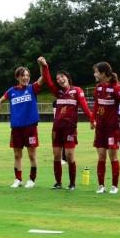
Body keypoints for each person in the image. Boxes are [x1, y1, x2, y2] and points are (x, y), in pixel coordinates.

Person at [40, 57, 93, 190]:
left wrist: (92, 119)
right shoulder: (57, 92)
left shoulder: (77, 91)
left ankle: (72, 183)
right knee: (57, 156)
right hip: (57, 129)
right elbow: (47, 79)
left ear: (67, 78)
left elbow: (85, 107)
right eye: (58, 78)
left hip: (70, 129)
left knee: (69, 156)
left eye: (62, 77)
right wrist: (45, 66)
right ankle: (58, 183)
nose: (60, 79)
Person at [0, 65, 42, 188]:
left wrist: (42, 65)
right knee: (17, 155)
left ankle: (32, 179)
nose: (25, 78)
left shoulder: (32, 88)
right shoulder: (11, 91)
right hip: (16, 128)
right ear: (17, 77)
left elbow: (43, 77)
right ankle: (18, 179)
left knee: (32, 155)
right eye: (23, 75)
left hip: (30, 128)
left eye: (27, 75)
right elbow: (0, 100)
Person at [91, 62, 120, 194]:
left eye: (96, 72)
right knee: (101, 157)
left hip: (112, 128)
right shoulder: (98, 88)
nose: (95, 74)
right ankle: (101, 186)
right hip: (100, 129)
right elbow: (96, 105)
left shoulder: (117, 88)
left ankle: (114, 186)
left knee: (113, 157)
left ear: (103, 73)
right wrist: (92, 119)